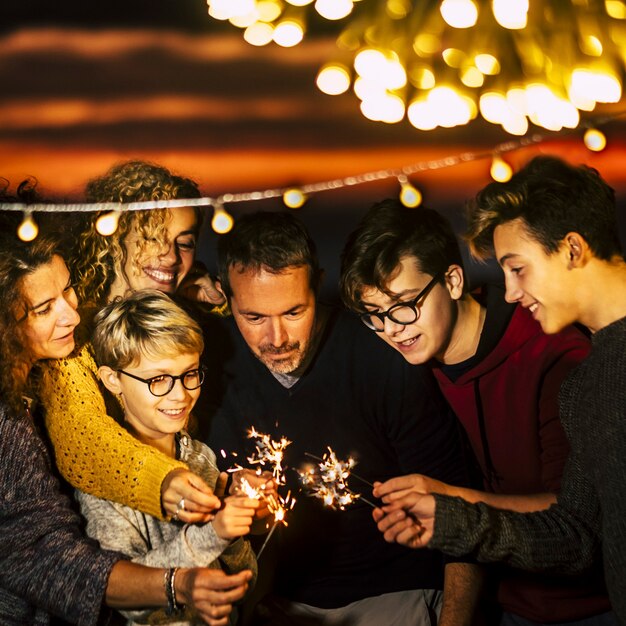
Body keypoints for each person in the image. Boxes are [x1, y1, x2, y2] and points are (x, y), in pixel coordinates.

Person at [372, 156, 626, 622]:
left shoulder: (571, 369)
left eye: (518, 269)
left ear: (572, 249)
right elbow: (577, 536)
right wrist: (448, 518)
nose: (508, 293)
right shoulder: (587, 386)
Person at [203, 211, 477, 626]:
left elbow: (460, 509)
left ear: (318, 284)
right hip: (280, 604)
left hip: (398, 596)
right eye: (254, 318)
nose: (275, 339)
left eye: (294, 312)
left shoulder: (384, 354)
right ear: (225, 297)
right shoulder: (212, 365)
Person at [0, 226, 252, 626]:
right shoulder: (7, 420)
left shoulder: (53, 366)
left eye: (68, 290)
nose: (70, 311)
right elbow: (40, 551)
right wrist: (183, 575)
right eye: (42, 309)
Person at [38, 160, 225, 523]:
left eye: (184, 243)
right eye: (152, 238)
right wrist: (165, 481)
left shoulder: (180, 308)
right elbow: (83, 438)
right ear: (113, 236)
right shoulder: (70, 336)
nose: (170, 257)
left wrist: (219, 301)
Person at [77, 290, 258, 625]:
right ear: (112, 379)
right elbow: (122, 599)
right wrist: (212, 533)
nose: (181, 394)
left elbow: (244, 576)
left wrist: (232, 523)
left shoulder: (200, 456)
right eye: (158, 379)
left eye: (190, 374)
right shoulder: (103, 482)